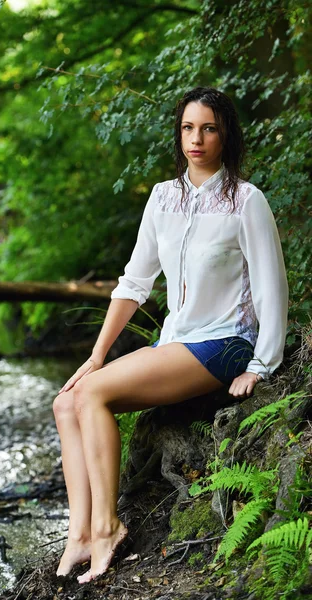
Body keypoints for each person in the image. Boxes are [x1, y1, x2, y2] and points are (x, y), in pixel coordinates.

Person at [52, 86, 288, 584]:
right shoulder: (164, 198)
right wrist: (96, 356)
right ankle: (79, 534)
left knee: (91, 397)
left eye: (208, 128)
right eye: (187, 128)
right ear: (178, 133)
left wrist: (260, 364)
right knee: (67, 400)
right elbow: (134, 283)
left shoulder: (246, 201)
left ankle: (107, 527)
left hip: (225, 343)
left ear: (226, 135)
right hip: (176, 341)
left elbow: (271, 289)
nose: (196, 139)